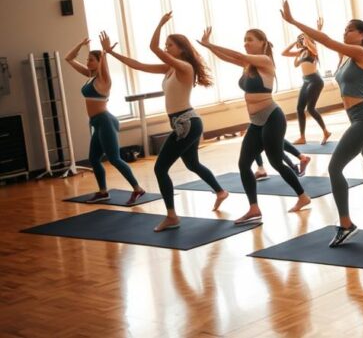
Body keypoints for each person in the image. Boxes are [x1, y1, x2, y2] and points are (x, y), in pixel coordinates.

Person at [281, 4, 363, 245]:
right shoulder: (347, 57)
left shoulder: (362, 53)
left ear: (362, 35)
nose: (344, 33)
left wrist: (294, 21)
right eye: (344, 29)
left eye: (349, 30)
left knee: (334, 168)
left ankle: (346, 224)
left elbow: (326, 40)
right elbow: (331, 45)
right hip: (359, 117)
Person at [102, 15, 228, 231]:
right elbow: (139, 65)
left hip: (186, 123)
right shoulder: (170, 68)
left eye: (170, 45)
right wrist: (111, 52)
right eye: (166, 45)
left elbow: (153, 47)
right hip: (185, 123)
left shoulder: (184, 67)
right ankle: (220, 191)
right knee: (192, 164)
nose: (166, 47)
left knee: (160, 168)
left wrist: (159, 24)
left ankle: (171, 216)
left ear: (181, 49)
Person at [199, 27, 311, 224]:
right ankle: (254, 208)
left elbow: (235, 54)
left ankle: (303, 196)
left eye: (250, 39)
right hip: (256, 122)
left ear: (262, 43)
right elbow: (227, 57)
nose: (246, 43)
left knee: (276, 162)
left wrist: (210, 44)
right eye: (244, 39)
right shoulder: (248, 65)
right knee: (244, 164)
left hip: (272, 117)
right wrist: (209, 47)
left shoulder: (265, 61)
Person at [64, 37, 145, 205]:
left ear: (99, 62)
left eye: (91, 60)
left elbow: (103, 67)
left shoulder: (104, 80)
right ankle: (103, 192)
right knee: (94, 159)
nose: (87, 62)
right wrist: (80, 44)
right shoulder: (89, 77)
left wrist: (104, 52)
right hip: (96, 123)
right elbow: (68, 58)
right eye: (87, 60)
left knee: (114, 158)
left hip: (106, 121)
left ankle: (138, 189)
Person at [281, 24, 331, 146]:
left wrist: (308, 34)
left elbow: (310, 43)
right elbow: (284, 53)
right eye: (301, 39)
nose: (302, 41)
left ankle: (325, 131)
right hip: (306, 81)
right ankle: (302, 137)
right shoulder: (301, 52)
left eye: (304, 39)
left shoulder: (312, 50)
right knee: (299, 108)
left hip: (315, 80)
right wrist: (295, 42)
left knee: (310, 108)